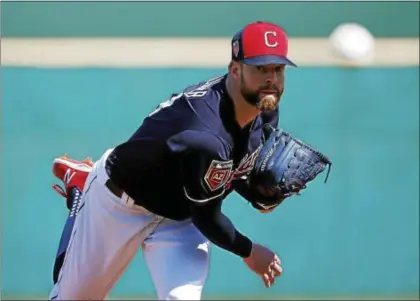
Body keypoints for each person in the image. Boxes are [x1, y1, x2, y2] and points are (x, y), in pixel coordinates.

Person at [48, 21, 297, 300]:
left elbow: (230, 165)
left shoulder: (264, 109)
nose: (271, 79)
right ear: (235, 70)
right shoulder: (205, 132)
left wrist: (257, 190)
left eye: (278, 69)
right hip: (121, 202)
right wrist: (249, 251)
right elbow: (207, 215)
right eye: (260, 68)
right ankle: (83, 187)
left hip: (179, 217)